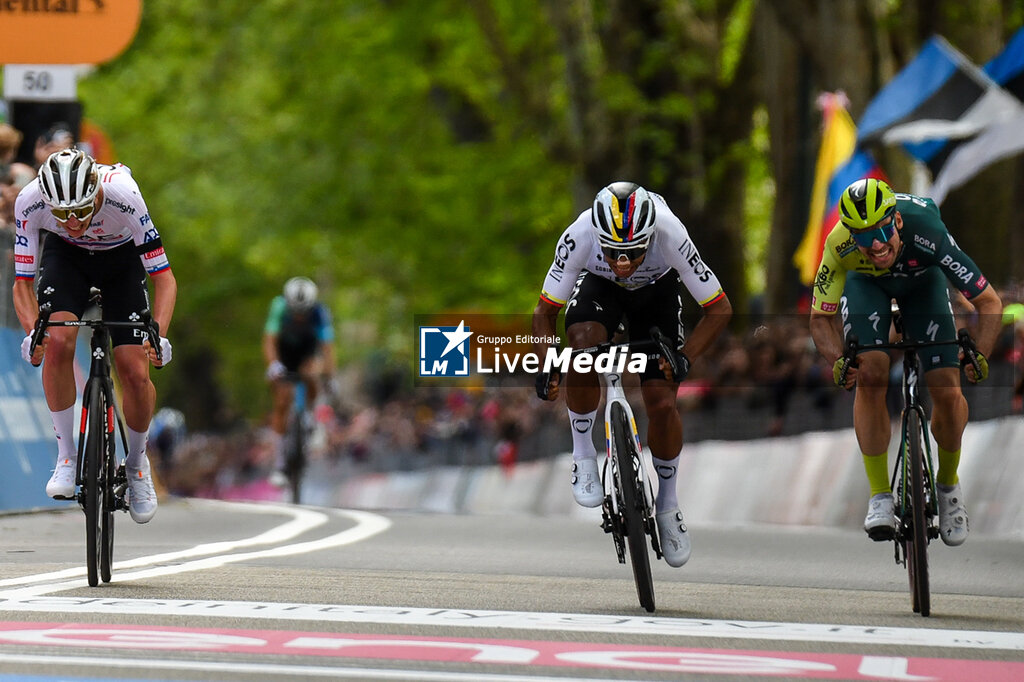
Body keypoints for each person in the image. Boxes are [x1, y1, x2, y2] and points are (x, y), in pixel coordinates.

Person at [532, 181, 732, 568]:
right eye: (614, 253)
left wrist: (684, 358)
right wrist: (548, 362)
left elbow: (719, 308)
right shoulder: (580, 234)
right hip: (598, 288)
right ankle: (584, 453)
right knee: (582, 346)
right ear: (598, 238)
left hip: (656, 293)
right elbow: (544, 313)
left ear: (650, 237)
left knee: (661, 398)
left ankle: (669, 505)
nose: (623, 263)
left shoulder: (670, 232)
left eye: (634, 253)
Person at [808, 178, 1002, 547]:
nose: (876, 244)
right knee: (871, 372)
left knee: (946, 385)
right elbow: (820, 319)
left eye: (881, 230)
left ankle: (947, 487)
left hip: (922, 282)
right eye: (863, 237)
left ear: (896, 221)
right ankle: (880, 494)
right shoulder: (838, 244)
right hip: (867, 286)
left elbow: (989, 303)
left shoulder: (927, 230)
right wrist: (839, 361)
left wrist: (980, 352)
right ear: (851, 235)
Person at [12, 148, 177, 523]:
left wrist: (158, 336)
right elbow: (22, 283)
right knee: (56, 340)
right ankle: (67, 456)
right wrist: (32, 332)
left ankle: (136, 464)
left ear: (95, 193)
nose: (71, 222)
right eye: (61, 214)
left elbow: (164, 277)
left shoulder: (125, 196)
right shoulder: (30, 199)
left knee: (134, 370)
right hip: (66, 261)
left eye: (81, 212)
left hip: (121, 261)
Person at [262, 276, 335, 471]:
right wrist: (273, 364)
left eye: (304, 312)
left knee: (311, 373)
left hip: (307, 352)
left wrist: (329, 375)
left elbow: (327, 347)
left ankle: (312, 417)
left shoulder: (320, 312)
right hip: (284, 353)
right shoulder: (278, 306)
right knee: (282, 401)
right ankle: (279, 461)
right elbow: (269, 340)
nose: (300, 316)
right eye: (295, 312)